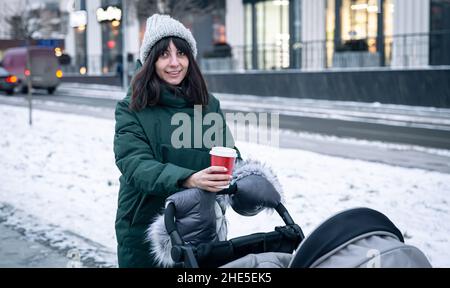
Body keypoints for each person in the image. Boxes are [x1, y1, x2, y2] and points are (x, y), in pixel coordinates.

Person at [113, 14, 239, 268]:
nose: (174, 63)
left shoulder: (206, 105)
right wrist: (187, 178)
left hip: (200, 225)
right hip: (145, 225)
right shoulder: (131, 108)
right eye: (164, 55)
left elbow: (227, 151)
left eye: (181, 54)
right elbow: (134, 164)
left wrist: (245, 175)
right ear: (149, 61)